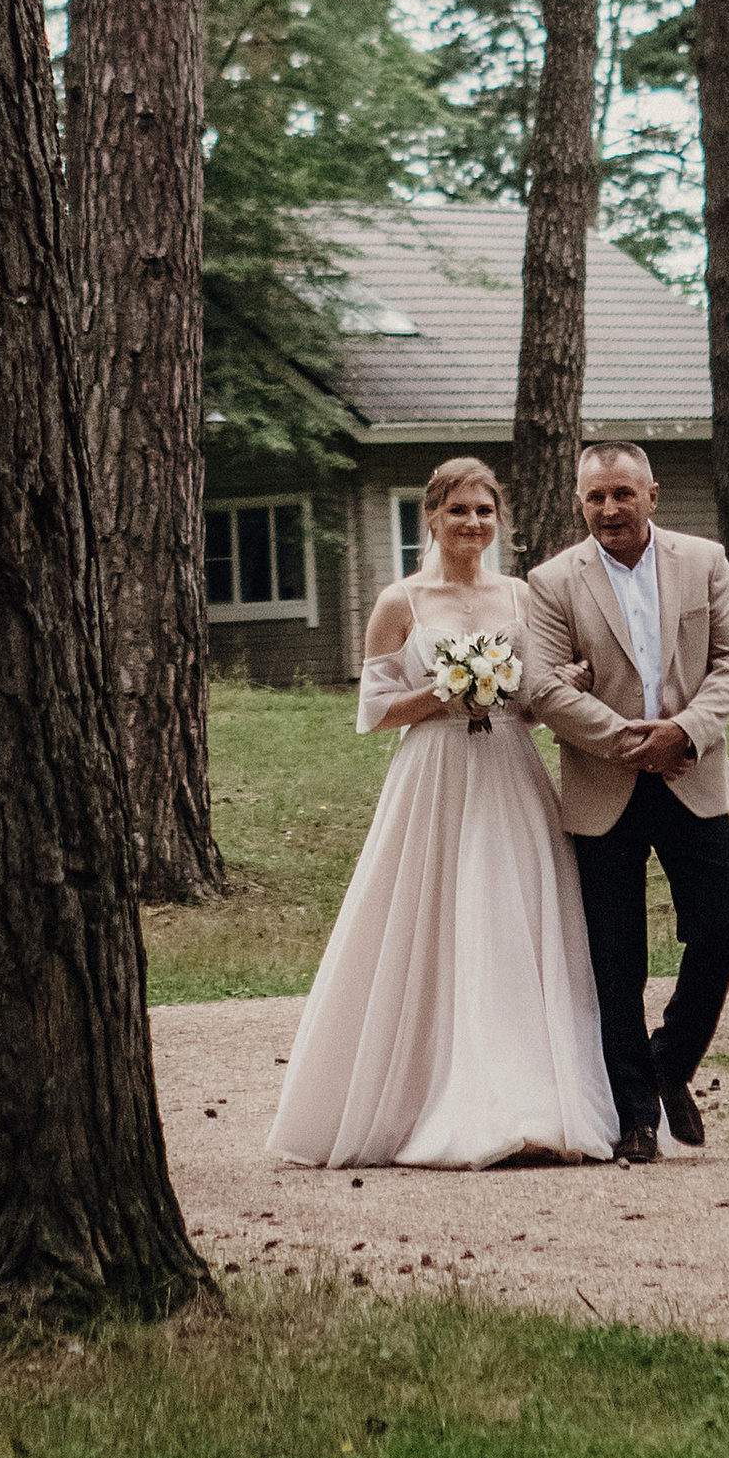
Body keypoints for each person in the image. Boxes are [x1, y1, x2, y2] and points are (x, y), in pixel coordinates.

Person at [268, 457, 620, 1169]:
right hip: (433, 774)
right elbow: (372, 712)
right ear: (431, 517)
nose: (472, 524)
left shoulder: (521, 595)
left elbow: (534, 697)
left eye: (485, 511)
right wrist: (450, 691)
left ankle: (533, 1102)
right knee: (434, 920)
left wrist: (545, 686)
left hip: (509, 773)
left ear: (499, 520)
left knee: (511, 916)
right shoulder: (402, 601)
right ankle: (425, 1098)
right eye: (458, 510)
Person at [522, 440, 729, 1167]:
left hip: (691, 773)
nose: (610, 509)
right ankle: (634, 1116)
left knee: (721, 935)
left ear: (652, 495)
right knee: (616, 962)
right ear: (579, 502)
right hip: (604, 788)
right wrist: (630, 740)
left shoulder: (704, 560)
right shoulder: (554, 581)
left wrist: (683, 731)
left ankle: (669, 1062)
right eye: (596, 497)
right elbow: (543, 689)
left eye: (623, 494)